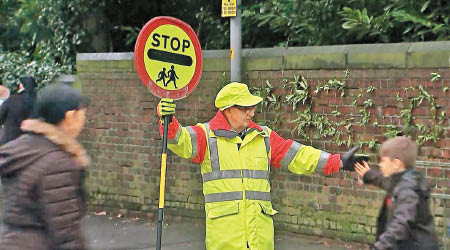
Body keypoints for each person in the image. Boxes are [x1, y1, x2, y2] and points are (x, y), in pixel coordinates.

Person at [156, 82, 356, 250]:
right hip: (225, 242)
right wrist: (168, 121)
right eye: (245, 108)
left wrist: (336, 161)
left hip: (260, 241)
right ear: (228, 109)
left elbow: (298, 156)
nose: (251, 112)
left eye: (252, 107)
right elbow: (179, 140)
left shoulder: (264, 137)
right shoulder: (206, 137)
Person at [0, 84, 90, 250]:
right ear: (70, 116)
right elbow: (67, 231)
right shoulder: (57, 162)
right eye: (82, 114)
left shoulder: (24, 148)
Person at [355, 137, 438, 250]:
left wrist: (379, 247)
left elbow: (401, 224)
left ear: (396, 163)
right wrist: (368, 175)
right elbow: (384, 181)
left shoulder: (408, 189)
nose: (380, 165)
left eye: (383, 160)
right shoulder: (402, 179)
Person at [0, 76, 37, 145]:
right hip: (31, 142)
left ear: (21, 85)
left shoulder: (12, 100)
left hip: (10, 139)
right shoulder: (38, 101)